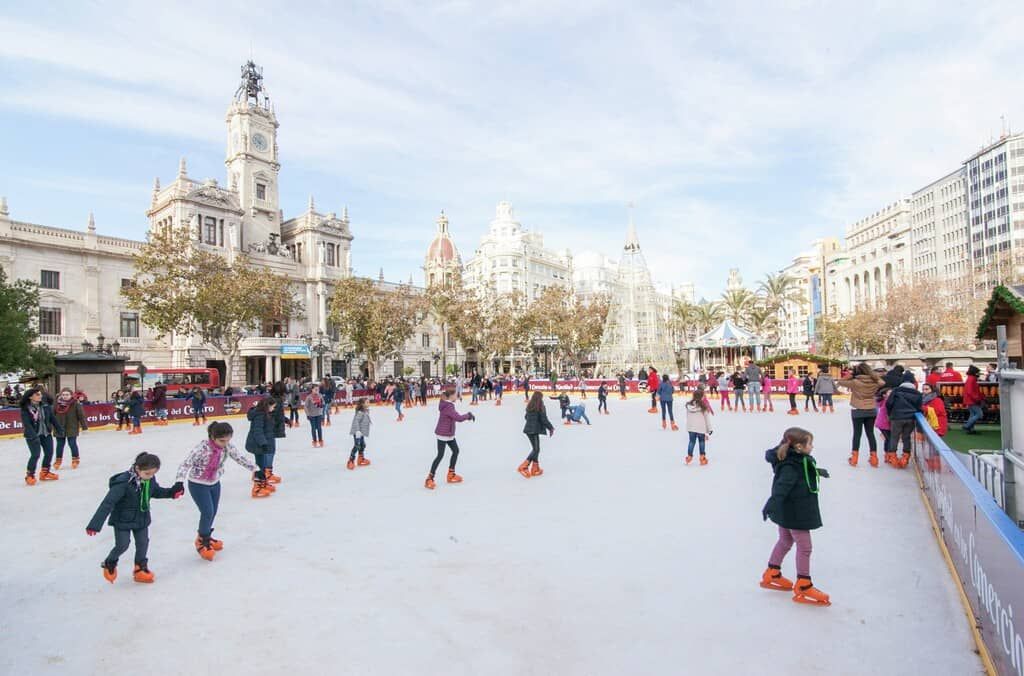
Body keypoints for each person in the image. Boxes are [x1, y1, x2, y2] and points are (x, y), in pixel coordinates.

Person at [86, 452, 183, 584]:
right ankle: (110, 562)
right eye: (147, 474)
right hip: (122, 520)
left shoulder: (149, 480)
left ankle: (140, 569)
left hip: (141, 518)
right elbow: (108, 503)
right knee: (122, 545)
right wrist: (94, 525)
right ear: (137, 468)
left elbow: (155, 491)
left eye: (153, 474)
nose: (150, 477)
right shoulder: (123, 483)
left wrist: (171, 493)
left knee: (143, 543)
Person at [760, 427, 830, 606]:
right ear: (799, 446)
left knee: (785, 541)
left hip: (787, 510)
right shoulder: (792, 465)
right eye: (810, 443)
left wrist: (816, 471)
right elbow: (782, 486)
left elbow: (799, 474)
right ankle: (804, 585)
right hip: (796, 511)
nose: (812, 446)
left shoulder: (796, 460)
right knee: (805, 547)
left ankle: (772, 572)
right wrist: (772, 503)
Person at [176, 421, 261, 560]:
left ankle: (206, 536)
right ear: (212, 437)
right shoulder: (202, 448)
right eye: (222, 440)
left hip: (215, 482)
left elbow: (239, 457)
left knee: (213, 511)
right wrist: (179, 481)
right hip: (198, 484)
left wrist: (255, 469)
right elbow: (186, 464)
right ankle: (201, 541)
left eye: (228, 440)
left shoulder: (227, 447)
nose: (225, 443)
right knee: (207, 512)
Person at [426, 388, 475, 490]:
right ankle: (429, 478)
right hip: (443, 434)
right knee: (440, 455)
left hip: (448, 434)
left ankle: (451, 474)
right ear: (451, 396)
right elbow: (459, 418)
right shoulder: (448, 407)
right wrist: (468, 415)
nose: (457, 397)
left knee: (455, 451)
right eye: (455, 395)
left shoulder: (448, 404)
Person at [837, 364, 884, 468]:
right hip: (871, 409)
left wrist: (851, 374)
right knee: (870, 433)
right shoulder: (875, 382)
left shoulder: (855, 382)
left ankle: (854, 458)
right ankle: (874, 458)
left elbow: (840, 382)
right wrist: (874, 375)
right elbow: (882, 382)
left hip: (858, 410)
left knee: (857, 434)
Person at [21, 387, 64, 485]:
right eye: (37, 394)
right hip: (33, 435)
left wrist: (59, 428)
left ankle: (45, 472)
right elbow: (27, 424)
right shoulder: (25, 409)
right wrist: (33, 436)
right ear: (30, 397)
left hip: (46, 434)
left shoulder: (45, 406)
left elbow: (52, 419)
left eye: (40, 394)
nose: (40, 396)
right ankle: (30, 475)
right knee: (35, 455)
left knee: (49, 453)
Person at [886, 372, 923, 468]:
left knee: (894, 437)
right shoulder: (917, 393)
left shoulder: (896, 391)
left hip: (897, 417)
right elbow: (919, 408)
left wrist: (890, 414)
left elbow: (889, 403)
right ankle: (905, 458)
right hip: (910, 418)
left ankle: (893, 457)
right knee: (906, 438)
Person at [244, 397, 278, 498]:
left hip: (260, 444)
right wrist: (263, 443)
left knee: (262, 465)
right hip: (257, 444)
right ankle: (257, 488)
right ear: (267, 406)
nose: (273, 409)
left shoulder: (265, 414)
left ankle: (263, 483)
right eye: (273, 407)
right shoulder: (260, 415)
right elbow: (257, 431)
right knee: (260, 466)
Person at [51, 387, 88, 470]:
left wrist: (84, 427)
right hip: (59, 428)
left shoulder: (75, 404)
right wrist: (49, 426)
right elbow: (51, 416)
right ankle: (58, 461)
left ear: (71, 395)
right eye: (63, 395)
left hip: (72, 427)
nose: (65, 396)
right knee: (60, 445)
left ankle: (75, 459)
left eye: (67, 395)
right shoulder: (56, 404)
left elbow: (81, 416)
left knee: (72, 444)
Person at [519, 391, 555, 478]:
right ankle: (523, 466)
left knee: (536, 449)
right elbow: (544, 419)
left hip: (528, 430)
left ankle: (535, 468)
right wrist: (551, 428)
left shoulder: (530, 405)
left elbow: (526, 417)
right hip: (534, 430)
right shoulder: (541, 406)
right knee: (536, 449)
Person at [684, 388, 714, 465]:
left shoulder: (689, 405)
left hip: (691, 427)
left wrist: (689, 425)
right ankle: (702, 457)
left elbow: (687, 417)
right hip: (701, 427)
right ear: (701, 397)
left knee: (691, 442)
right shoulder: (703, 406)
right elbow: (707, 419)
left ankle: (689, 456)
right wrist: (709, 429)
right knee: (701, 442)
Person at [348, 398, 372, 470]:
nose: (369, 404)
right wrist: (357, 431)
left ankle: (360, 459)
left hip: (361, 432)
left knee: (362, 445)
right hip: (357, 432)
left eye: (369, 402)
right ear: (362, 404)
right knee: (357, 445)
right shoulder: (360, 412)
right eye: (367, 402)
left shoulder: (366, 411)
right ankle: (351, 461)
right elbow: (356, 421)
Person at [962, 365, 984, 435]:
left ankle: (971, 429)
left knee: (972, 414)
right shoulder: (972, 379)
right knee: (979, 414)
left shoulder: (970, 378)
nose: (978, 374)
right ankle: (967, 426)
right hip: (972, 400)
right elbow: (970, 391)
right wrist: (977, 398)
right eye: (977, 372)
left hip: (969, 399)